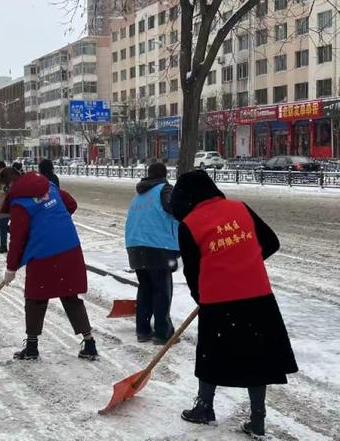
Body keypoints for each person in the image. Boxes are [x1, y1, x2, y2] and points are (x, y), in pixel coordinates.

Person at [170, 170, 298, 438]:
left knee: (211, 355)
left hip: (218, 302)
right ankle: (258, 420)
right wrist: (245, 262)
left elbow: (192, 273)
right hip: (258, 297)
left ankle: (204, 407)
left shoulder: (189, 224)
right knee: (259, 358)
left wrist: (202, 299)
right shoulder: (241, 208)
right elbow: (271, 242)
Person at [1, 171, 98, 361]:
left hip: (43, 254)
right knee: (70, 295)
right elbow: (71, 204)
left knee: (36, 298)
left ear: (11, 184)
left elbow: (18, 239)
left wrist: (11, 269)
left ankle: (31, 347)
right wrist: (52, 220)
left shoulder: (20, 203)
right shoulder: (50, 187)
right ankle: (89, 343)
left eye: (5, 188)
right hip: (69, 247)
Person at [125, 162, 180, 344]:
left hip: (135, 246)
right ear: (164, 175)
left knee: (145, 288)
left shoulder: (139, 195)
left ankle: (143, 330)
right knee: (162, 290)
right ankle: (163, 333)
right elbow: (174, 209)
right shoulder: (165, 189)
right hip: (158, 247)